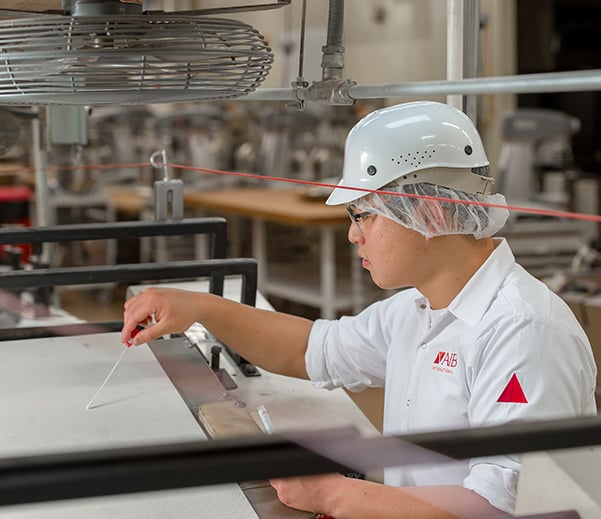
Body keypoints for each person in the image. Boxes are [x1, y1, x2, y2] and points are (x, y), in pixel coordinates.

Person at [122, 101, 597, 519]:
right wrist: (200, 307)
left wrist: (335, 495)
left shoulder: (521, 331)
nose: (354, 235)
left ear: (428, 211)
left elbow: (504, 509)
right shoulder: (419, 308)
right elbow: (313, 348)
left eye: (363, 214)